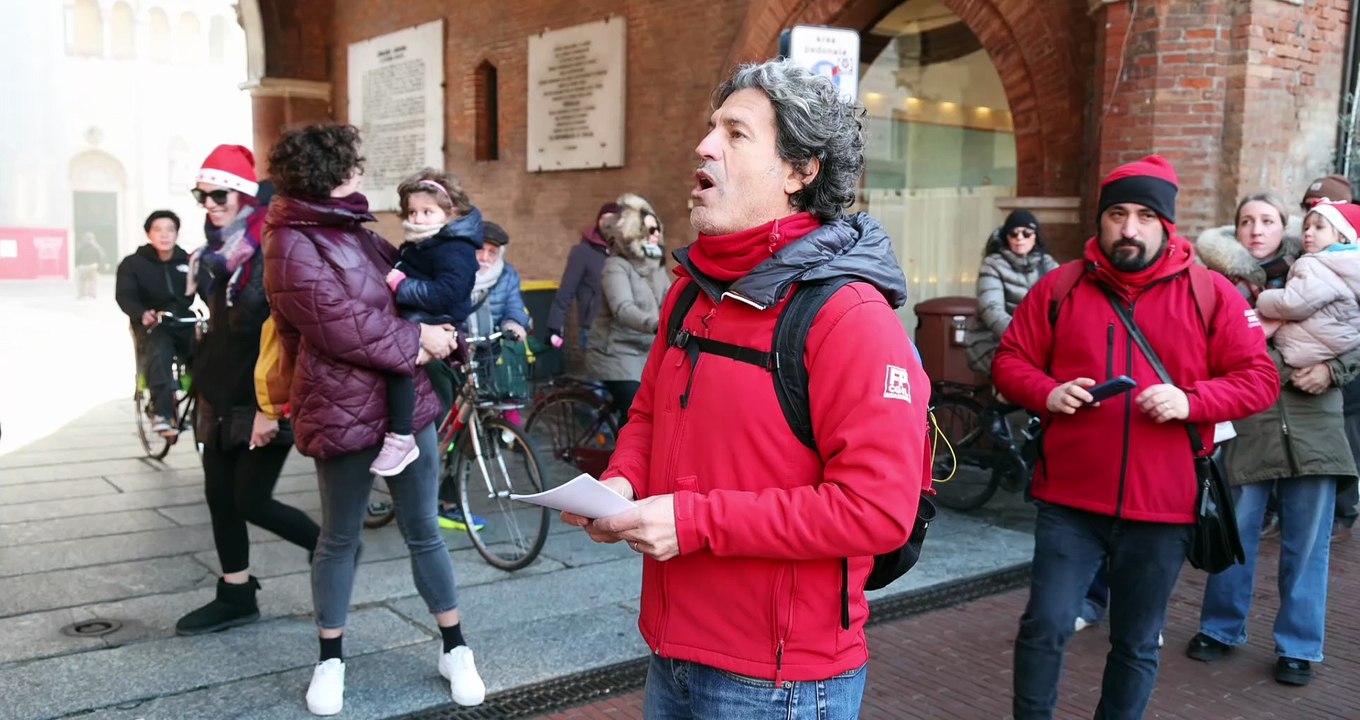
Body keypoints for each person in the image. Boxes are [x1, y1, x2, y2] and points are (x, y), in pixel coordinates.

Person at [562, 59, 930, 719]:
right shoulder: (689, 293)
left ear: (800, 170)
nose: (704, 146)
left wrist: (692, 522)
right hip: (670, 652)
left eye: (735, 134)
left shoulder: (849, 316)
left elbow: (877, 511)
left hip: (780, 683)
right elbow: (647, 415)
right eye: (712, 129)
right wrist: (618, 482)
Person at [992, 154, 1279, 719]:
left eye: (1145, 215)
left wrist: (1192, 401)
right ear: (1100, 220)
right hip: (1069, 501)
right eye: (1118, 213)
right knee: (1045, 624)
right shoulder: (1059, 288)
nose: (1129, 227)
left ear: (1166, 224)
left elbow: (1260, 379)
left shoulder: (1211, 294)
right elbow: (1010, 361)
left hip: (1163, 508)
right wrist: (1046, 392)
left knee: (1136, 642)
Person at [259, 123, 484, 716]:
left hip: (404, 399)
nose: (360, 171)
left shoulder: (352, 230)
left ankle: (454, 647)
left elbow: (412, 295)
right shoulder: (289, 242)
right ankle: (329, 660)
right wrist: (419, 339)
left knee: (424, 530)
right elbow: (335, 325)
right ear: (331, 172)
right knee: (338, 537)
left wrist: (447, 334)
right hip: (339, 406)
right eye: (353, 163)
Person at [1188, 190, 1360, 687]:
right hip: (1250, 422)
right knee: (1234, 531)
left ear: (1282, 227)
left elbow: (1354, 335)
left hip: (1317, 424)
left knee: (1308, 544)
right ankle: (1220, 629)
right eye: (1246, 221)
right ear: (1235, 231)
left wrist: (1333, 368)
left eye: (1267, 220)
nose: (1256, 229)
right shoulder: (1217, 284)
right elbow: (1210, 352)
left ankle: (1299, 646)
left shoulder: (1324, 267)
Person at [173, 145, 321, 637]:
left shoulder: (272, 245)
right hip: (218, 390)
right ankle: (236, 594)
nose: (208, 204)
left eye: (217, 194)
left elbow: (286, 330)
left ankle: (331, 549)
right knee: (219, 496)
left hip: (262, 396)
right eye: (201, 195)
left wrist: (272, 410)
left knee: (251, 499)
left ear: (241, 194)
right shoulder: (216, 252)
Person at [370, 169, 482, 478]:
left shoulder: (455, 247)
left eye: (427, 212)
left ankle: (402, 436)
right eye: (412, 212)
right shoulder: (422, 243)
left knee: (399, 359)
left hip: (438, 317)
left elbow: (447, 293)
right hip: (425, 315)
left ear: (450, 213)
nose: (418, 219)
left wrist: (400, 285)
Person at [583, 194, 672, 426]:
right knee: (636, 413)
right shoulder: (616, 266)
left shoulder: (656, 267)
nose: (656, 236)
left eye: (657, 230)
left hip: (645, 352)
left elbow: (671, 300)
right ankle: (625, 461)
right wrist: (655, 324)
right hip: (614, 354)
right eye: (650, 231)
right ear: (636, 233)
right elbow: (622, 308)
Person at [1253, 201, 1360, 367]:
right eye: (1306, 228)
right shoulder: (1351, 264)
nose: (1308, 233)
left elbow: (1291, 304)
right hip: (1340, 345)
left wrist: (1263, 299)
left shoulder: (1317, 263)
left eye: (1319, 227)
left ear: (1343, 236)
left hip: (1302, 346)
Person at [116, 210, 194, 435]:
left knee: (208, 350)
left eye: (170, 230)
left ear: (177, 234)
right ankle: (161, 413)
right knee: (160, 350)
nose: (164, 235)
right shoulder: (133, 264)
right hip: (152, 323)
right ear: (149, 233)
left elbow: (207, 288)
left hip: (182, 319)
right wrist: (142, 313)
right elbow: (125, 295)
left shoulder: (188, 261)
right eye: (158, 229)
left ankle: (205, 408)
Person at [964, 209, 1059, 379]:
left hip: (1038, 342)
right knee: (1022, 381)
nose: (1019, 238)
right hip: (995, 340)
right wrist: (1025, 339)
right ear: (1006, 237)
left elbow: (1064, 302)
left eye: (1026, 233)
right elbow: (991, 309)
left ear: (1035, 235)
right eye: (1013, 233)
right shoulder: (993, 264)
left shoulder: (1047, 264)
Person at [547, 202, 620, 350]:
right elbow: (566, 292)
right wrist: (555, 327)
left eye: (613, 219)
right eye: (604, 219)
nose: (607, 224)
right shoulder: (583, 252)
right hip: (594, 329)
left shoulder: (626, 253)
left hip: (623, 331)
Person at [75, 231, 105, 299]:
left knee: (82, 281)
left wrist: (77, 266)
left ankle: (82, 294)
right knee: (93, 281)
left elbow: (77, 257)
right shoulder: (96, 247)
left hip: (83, 266)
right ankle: (92, 294)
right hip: (93, 266)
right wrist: (100, 267)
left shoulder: (81, 247)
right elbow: (100, 258)